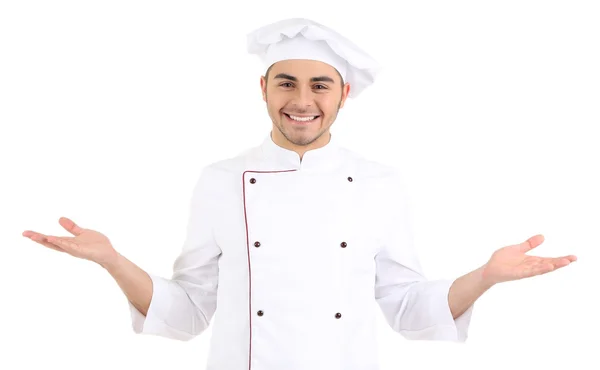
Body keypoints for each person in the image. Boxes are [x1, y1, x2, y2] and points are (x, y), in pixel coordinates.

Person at [22, 18, 577, 370]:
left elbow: (408, 309)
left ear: (344, 93)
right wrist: (112, 261)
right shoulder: (221, 180)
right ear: (264, 88)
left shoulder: (381, 184)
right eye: (286, 82)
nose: (302, 100)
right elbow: (188, 311)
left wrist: (487, 276)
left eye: (320, 84)